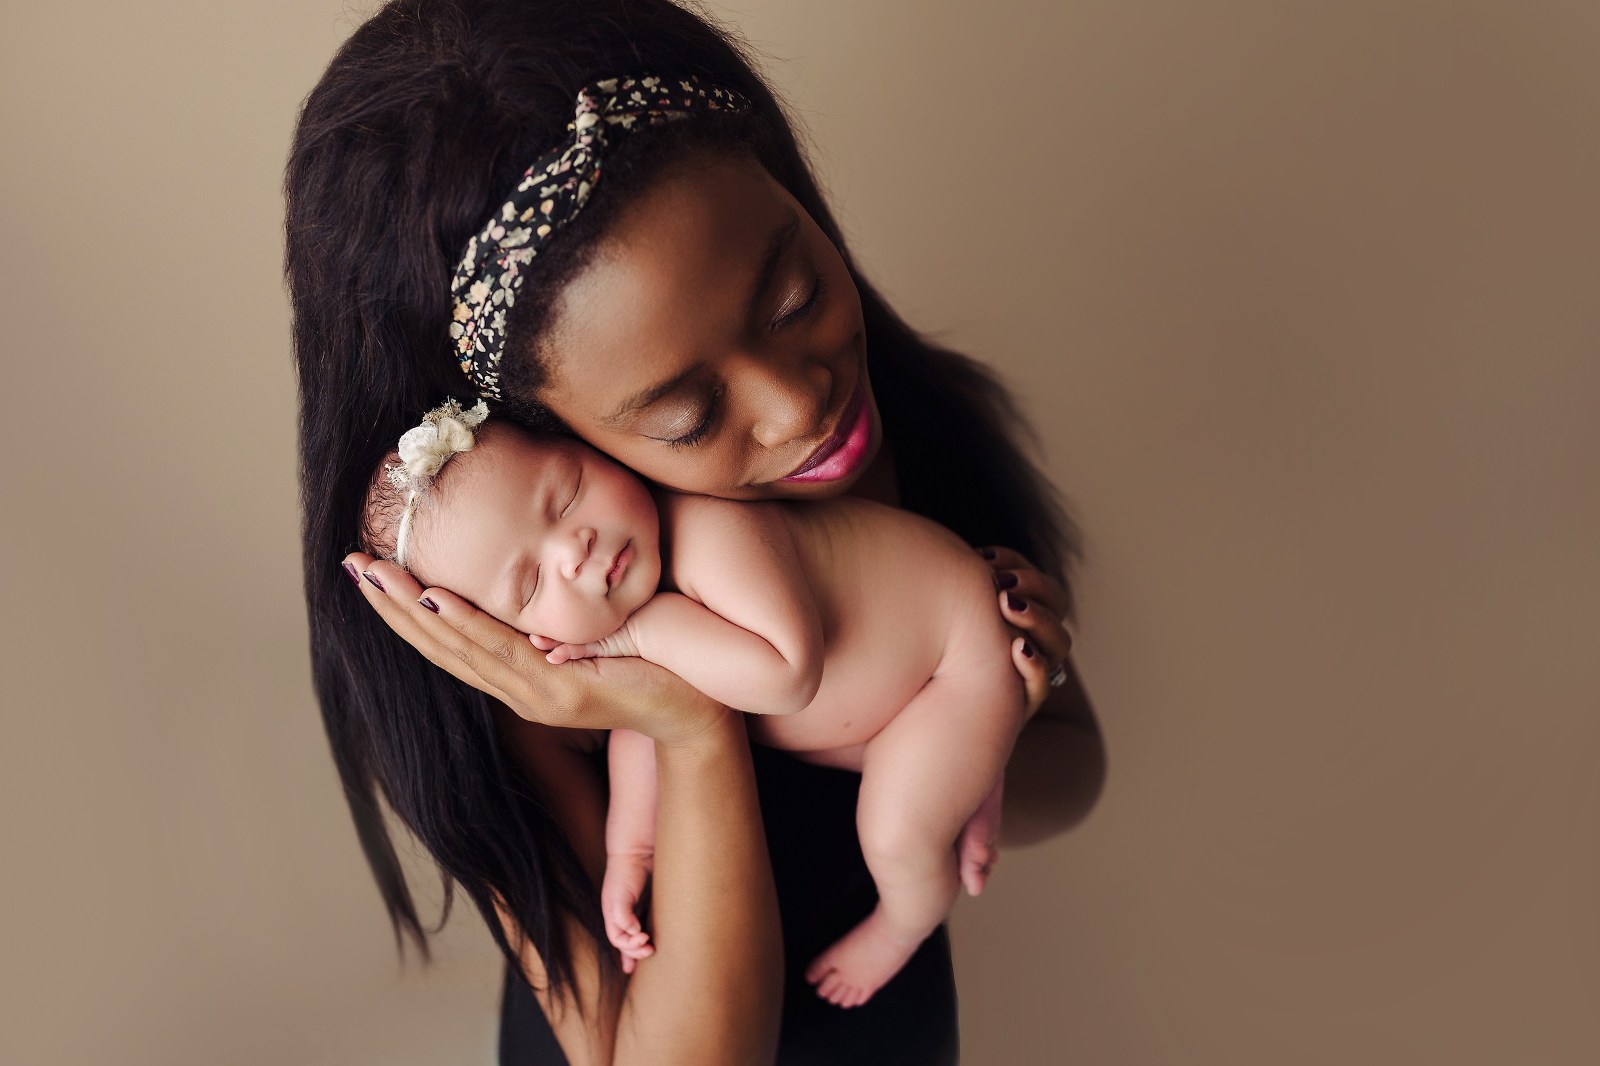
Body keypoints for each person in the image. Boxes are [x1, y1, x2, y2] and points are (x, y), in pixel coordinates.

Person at [285, 2, 1104, 1062]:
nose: (798, 404)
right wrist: (684, 723)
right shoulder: (511, 654)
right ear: (541, 435)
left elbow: (1071, 776)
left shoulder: (901, 429)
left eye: (796, 292)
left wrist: (995, 717)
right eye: (685, 416)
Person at [361, 405, 1026, 1007]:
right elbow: (643, 728)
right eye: (531, 582)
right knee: (904, 772)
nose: (574, 547)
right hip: (898, 709)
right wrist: (631, 855)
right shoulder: (630, 607)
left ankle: (905, 921)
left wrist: (641, 635)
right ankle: (972, 770)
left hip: (954, 661)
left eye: (566, 495)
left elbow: (788, 677)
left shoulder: (712, 528)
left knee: (896, 829)